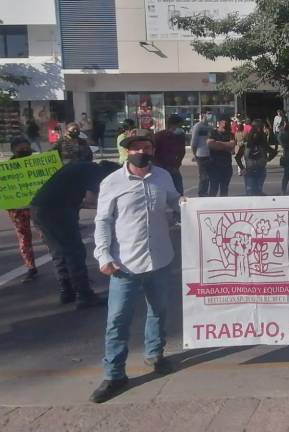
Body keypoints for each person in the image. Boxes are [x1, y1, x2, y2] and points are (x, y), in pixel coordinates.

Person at [89, 134, 182, 404]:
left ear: (153, 150)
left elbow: (174, 200)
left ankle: (155, 354)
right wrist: (103, 255)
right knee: (117, 320)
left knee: (159, 312)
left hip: (161, 261)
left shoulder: (162, 176)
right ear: (127, 152)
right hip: (124, 265)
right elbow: (103, 221)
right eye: (135, 148)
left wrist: (189, 207)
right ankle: (115, 374)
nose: (141, 151)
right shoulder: (112, 182)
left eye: (146, 147)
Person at [30, 159, 121, 307]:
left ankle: (67, 292)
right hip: (57, 210)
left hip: (38, 208)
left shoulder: (81, 167)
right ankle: (84, 295)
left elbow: (81, 200)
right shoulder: (95, 172)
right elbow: (92, 199)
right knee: (74, 252)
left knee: (58, 252)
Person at [6, 137, 38, 282]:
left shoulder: (38, 163)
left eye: (27, 148)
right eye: (21, 149)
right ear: (13, 150)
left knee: (47, 235)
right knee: (24, 238)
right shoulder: (7, 169)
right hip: (17, 209)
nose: (26, 151)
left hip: (37, 206)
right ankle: (30, 267)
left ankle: (60, 264)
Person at [235, 120, 275, 196]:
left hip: (261, 172)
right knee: (251, 194)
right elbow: (237, 157)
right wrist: (242, 168)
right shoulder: (246, 144)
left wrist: (267, 159)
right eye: (261, 128)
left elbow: (273, 152)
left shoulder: (263, 144)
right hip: (250, 172)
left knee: (258, 193)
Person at [153, 114, 186, 194]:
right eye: (179, 126)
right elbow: (151, 154)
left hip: (173, 169)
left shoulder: (180, 136)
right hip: (160, 170)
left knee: (178, 193)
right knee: (161, 192)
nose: (181, 128)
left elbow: (182, 151)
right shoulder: (159, 137)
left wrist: (177, 164)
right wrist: (159, 168)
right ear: (171, 125)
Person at [207, 114, 236, 197]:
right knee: (213, 189)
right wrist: (226, 146)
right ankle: (211, 208)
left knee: (224, 190)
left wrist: (219, 143)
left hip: (226, 166)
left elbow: (232, 146)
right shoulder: (213, 132)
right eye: (226, 121)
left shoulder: (230, 134)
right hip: (214, 165)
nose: (228, 124)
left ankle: (223, 208)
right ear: (220, 122)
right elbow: (211, 145)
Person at [190, 112, 212, 196]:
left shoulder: (209, 127)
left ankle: (205, 192)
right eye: (208, 114)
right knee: (203, 177)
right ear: (203, 115)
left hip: (209, 154)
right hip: (200, 154)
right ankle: (202, 194)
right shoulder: (198, 126)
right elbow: (193, 142)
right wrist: (194, 155)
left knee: (208, 177)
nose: (210, 116)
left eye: (211, 114)